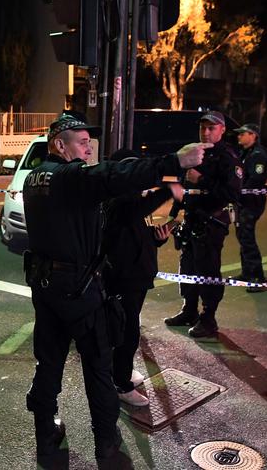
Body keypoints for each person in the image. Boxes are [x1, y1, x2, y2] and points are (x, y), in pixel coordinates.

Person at [21, 115, 210, 465]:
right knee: (97, 366)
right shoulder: (69, 177)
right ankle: (106, 443)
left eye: (88, 142)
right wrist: (175, 163)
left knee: (48, 364)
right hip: (79, 290)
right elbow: (112, 176)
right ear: (59, 145)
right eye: (80, 142)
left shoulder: (35, 178)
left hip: (46, 288)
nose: (87, 148)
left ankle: (46, 433)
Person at [103, 149, 183, 407]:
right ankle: (120, 385)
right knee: (125, 333)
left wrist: (156, 239)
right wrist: (170, 188)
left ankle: (121, 373)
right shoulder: (117, 201)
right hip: (122, 278)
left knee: (128, 330)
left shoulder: (133, 200)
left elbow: (135, 235)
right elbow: (131, 214)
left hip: (137, 277)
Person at [164, 110, 242, 337]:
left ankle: (209, 319)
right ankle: (189, 310)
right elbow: (183, 187)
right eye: (203, 128)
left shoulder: (227, 157)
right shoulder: (194, 152)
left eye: (211, 128)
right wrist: (174, 214)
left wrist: (202, 179)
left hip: (211, 222)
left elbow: (232, 193)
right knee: (187, 269)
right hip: (190, 220)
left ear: (222, 130)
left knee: (208, 271)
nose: (206, 132)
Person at [232, 123, 267, 292]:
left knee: (247, 237)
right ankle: (247, 272)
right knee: (242, 235)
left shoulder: (258, 154)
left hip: (252, 202)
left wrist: (239, 191)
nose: (239, 136)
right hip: (243, 201)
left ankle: (259, 278)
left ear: (253, 135)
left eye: (242, 133)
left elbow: (256, 179)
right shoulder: (246, 153)